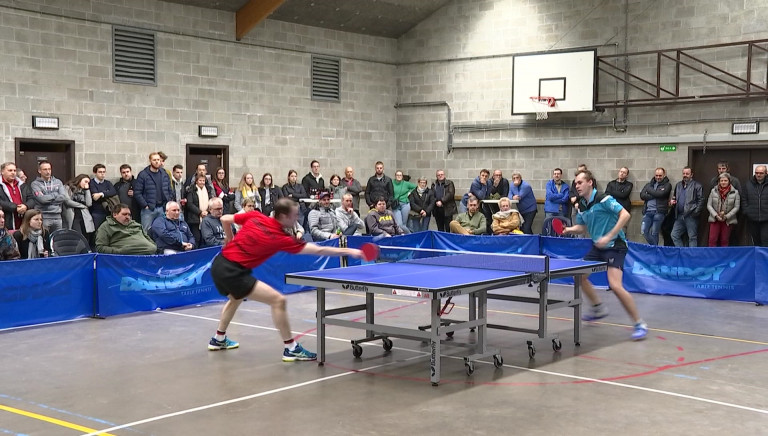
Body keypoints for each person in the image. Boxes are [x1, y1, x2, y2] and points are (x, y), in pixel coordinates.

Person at [207, 197, 365, 360]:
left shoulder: (255, 216)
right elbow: (318, 251)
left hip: (219, 263)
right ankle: (291, 348)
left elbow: (225, 219)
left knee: (235, 298)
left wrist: (230, 239)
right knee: (278, 301)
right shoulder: (280, 238)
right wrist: (348, 251)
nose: (296, 219)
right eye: (294, 216)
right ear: (283, 216)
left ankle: (218, 339)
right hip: (233, 272)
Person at [563, 170, 648, 341]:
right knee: (578, 276)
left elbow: (625, 215)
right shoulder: (581, 205)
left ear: (590, 183)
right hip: (598, 246)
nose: (577, 186)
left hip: (615, 245)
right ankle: (598, 307)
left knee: (615, 286)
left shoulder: (604, 199)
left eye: (580, 182)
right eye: (576, 183)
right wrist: (569, 230)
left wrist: (610, 236)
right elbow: (582, 227)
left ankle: (639, 323)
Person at [134, 152, 174, 232]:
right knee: (146, 232)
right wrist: (145, 205)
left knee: (163, 231)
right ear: (150, 161)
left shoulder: (164, 174)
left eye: (158, 160)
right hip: (149, 209)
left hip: (163, 208)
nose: (156, 162)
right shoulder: (143, 174)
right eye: (154, 160)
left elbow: (170, 189)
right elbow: (137, 192)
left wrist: (168, 201)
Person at [670, 166, 704, 247]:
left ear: (691, 175)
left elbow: (701, 200)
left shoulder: (697, 186)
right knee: (674, 235)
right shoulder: (678, 185)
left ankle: (692, 257)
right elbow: (675, 197)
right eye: (684, 173)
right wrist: (673, 202)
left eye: (687, 174)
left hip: (691, 216)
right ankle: (682, 253)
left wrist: (695, 213)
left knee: (692, 237)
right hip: (679, 215)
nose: (685, 175)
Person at [30, 160, 68, 232]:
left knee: (57, 239)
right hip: (43, 217)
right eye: (45, 169)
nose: (48, 172)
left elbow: (63, 197)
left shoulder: (58, 182)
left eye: (49, 169)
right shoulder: (35, 184)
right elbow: (42, 199)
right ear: (39, 171)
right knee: (44, 239)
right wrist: (55, 194)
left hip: (57, 216)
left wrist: (48, 198)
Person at [639, 167, 672, 245]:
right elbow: (642, 195)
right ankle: (655, 248)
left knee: (654, 233)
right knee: (644, 231)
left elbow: (662, 194)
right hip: (648, 211)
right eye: (656, 175)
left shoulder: (667, 185)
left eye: (660, 175)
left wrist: (650, 191)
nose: (658, 177)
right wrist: (656, 194)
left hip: (659, 212)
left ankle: (654, 252)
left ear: (664, 175)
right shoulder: (649, 184)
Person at [706, 173, 740, 247]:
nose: (723, 182)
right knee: (712, 240)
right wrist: (715, 215)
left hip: (727, 220)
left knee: (724, 240)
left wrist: (726, 216)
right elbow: (709, 205)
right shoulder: (713, 191)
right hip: (715, 219)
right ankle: (712, 257)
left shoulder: (735, 192)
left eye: (725, 180)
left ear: (729, 181)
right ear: (719, 182)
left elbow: (736, 207)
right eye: (721, 181)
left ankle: (723, 257)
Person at [63, 174, 96, 246]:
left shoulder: (84, 190)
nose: (86, 184)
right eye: (85, 181)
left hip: (84, 216)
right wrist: (82, 206)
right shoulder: (67, 188)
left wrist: (87, 190)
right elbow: (68, 202)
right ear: (79, 180)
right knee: (77, 235)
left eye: (88, 183)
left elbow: (89, 203)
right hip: (73, 214)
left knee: (85, 236)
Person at [184, 173, 214, 245]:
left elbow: (211, 201)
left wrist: (207, 211)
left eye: (203, 181)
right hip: (195, 218)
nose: (202, 182)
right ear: (196, 181)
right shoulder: (191, 190)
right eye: (200, 180)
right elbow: (190, 204)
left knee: (205, 238)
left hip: (206, 217)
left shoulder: (208, 190)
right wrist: (200, 212)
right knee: (197, 238)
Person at [742, 165, 768, 246]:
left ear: (766, 173)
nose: (758, 175)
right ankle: (758, 258)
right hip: (752, 218)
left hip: (766, 218)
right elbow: (744, 199)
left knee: (765, 240)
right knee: (756, 241)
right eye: (756, 173)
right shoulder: (748, 184)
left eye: (761, 173)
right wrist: (747, 211)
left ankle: (765, 258)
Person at [89, 164, 118, 231]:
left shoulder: (108, 183)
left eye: (103, 172)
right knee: (97, 231)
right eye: (100, 172)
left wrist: (101, 193)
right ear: (95, 173)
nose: (102, 174)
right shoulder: (91, 183)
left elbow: (113, 192)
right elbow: (95, 197)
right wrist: (107, 193)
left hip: (108, 211)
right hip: (96, 211)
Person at [1, 162, 27, 230]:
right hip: (7, 219)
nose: (13, 172)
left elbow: (31, 199)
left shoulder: (22, 185)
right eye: (10, 170)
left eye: (14, 170)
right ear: (2, 172)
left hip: (23, 221)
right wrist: (15, 208)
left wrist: (26, 206)